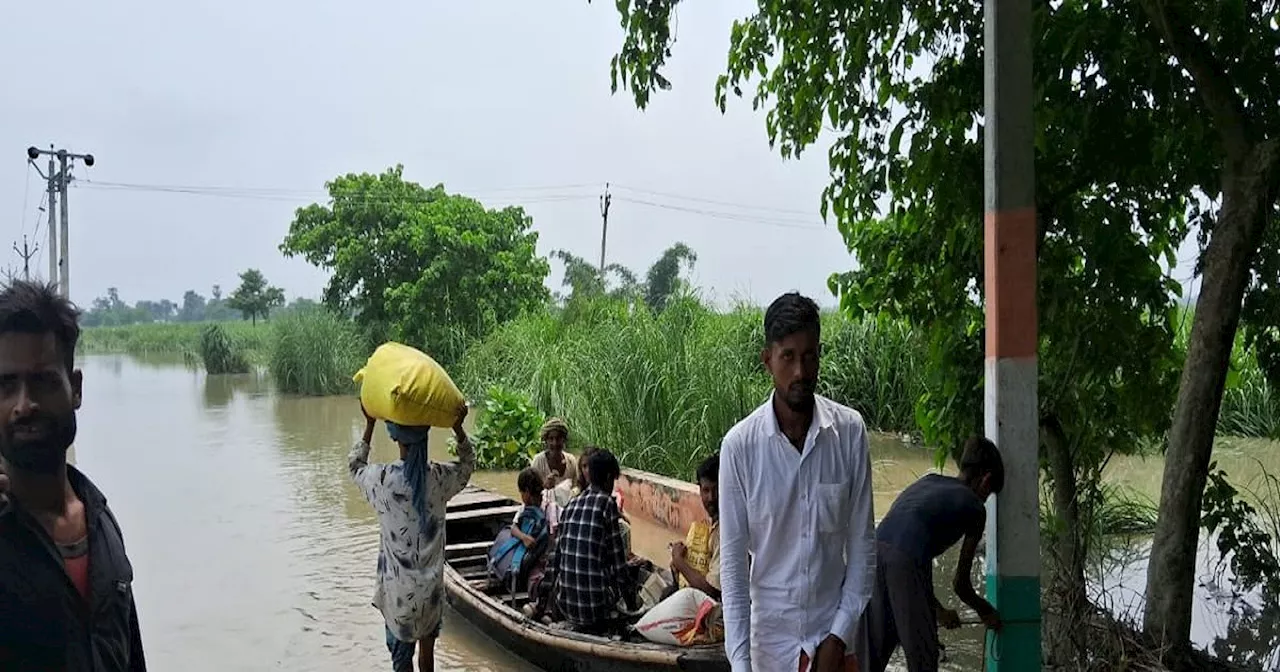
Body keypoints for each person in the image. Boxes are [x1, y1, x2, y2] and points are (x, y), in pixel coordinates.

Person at [719, 292, 875, 672]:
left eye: (809, 356)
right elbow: (735, 570)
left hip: (834, 639)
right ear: (767, 360)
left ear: (819, 355)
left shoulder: (849, 433)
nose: (800, 372)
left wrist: (838, 637)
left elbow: (863, 548)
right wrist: (741, 665)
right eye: (788, 356)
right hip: (769, 649)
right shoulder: (740, 447)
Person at [0, 280, 147, 671]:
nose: (23, 405)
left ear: (75, 389)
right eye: (6, 385)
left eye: (43, 382)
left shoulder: (101, 524)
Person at [350, 401, 473, 672]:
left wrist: (369, 425)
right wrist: (458, 428)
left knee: (401, 662)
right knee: (427, 658)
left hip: (398, 597)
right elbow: (467, 466)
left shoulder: (383, 479)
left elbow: (356, 467)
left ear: (395, 438)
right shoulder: (439, 478)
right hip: (430, 594)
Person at [866, 436, 1005, 672]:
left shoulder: (929, 482)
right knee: (924, 657)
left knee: (874, 653)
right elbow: (960, 584)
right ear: (986, 479)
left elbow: (912, 554)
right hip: (905, 561)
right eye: (989, 493)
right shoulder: (974, 508)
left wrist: (939, 611)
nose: (985, 499)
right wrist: (986, 611)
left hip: (873, 554)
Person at [554, 448, 639, 635]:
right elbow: (618, 567)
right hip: (595, 610)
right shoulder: (607, 504)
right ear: (609, 477)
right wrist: (633, 606)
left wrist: (542, 604)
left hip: (566, 606)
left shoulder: (571, 505)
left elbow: (555, 562)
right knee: (630, 578)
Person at [488, 468, 551, 591]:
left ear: (527, 492)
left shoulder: (548, 508)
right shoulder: (524, 509)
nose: (521, 497)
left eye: (521, 493)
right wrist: (524, 537)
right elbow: (513, 528)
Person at [669, 453, 721, 599]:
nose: (711, 498)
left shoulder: (726, 530)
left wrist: (679, 561)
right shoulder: (712, 526)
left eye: (717, 490)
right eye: (706, 490)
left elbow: (711, 591)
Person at [529, 417, 579, 494]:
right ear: (546, 441)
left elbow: (576, 488)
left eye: (558, 438)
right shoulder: (538, 461)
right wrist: (544, 486)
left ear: (564, 440)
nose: (555, 443)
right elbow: (531, 492)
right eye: (551, 439)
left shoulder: (571, 461)